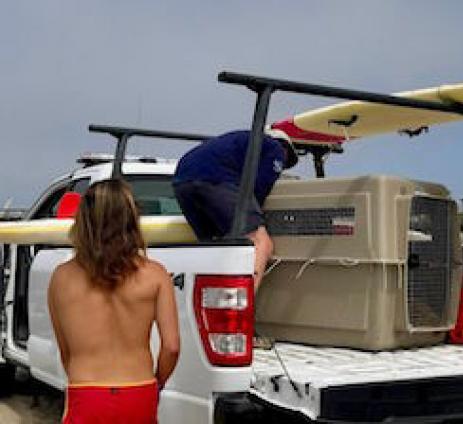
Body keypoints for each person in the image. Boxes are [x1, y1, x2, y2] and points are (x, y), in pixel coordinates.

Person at [48, 179, 180, 423]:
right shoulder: (155, 274)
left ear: (84, 221)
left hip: (86, 390)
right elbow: (171, 346)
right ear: (131, 220)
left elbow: (65, 349)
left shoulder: (62, 277)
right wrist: (157, 383)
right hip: (139, 390)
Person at [172, 128, 298, 292]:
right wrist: (256, 215)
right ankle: (242, 301)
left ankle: (211, 302)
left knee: (214, 245)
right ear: (286, 148)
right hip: (215, 180)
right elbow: (259, 187)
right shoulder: (275, 148)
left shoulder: (238, 142)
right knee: (261, 242)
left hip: (182, 181)